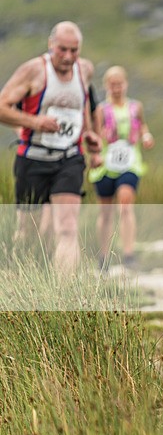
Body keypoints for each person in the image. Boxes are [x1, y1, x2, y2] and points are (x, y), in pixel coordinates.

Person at [0, 21, 101, 274]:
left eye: (74, 50)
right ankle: (23, 286)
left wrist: (89, 135)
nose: (68, 57)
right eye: (62, 50)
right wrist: (35, 122)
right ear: (50, 45)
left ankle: (63, 296)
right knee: (29, 234)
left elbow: (83, 104)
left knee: (67, 227)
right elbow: (2, 107)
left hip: (69, 158)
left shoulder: (85, 70)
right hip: (32, 158)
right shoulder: (34, 71)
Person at [89, 65, 155, 270]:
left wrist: (146, 136)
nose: (116, 88)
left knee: (125, 205)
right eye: (112, 84)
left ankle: (128, 254)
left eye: (119, 84)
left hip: (130, 163)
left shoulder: (136, 107)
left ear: (126, 84)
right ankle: (104, 256)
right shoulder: (101, 110)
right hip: (107, 165)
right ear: (106, 86)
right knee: (106, 212)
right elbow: (95, 135)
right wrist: (96, 154)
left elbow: (143, 125)